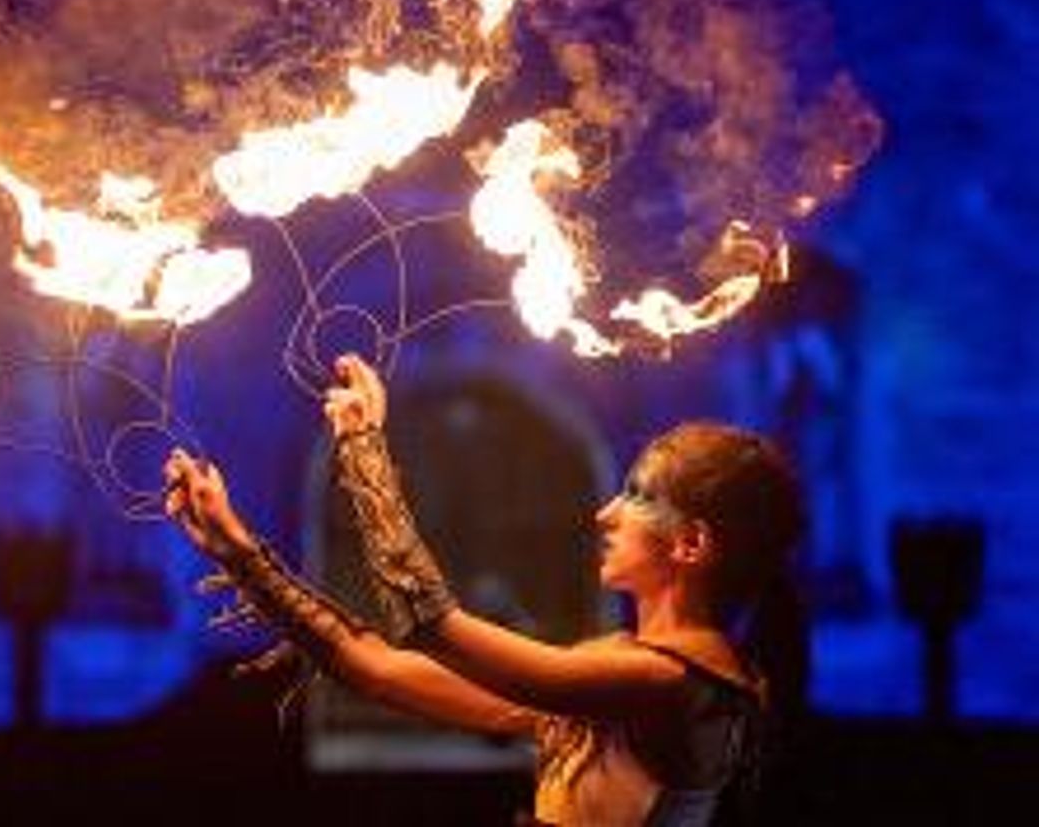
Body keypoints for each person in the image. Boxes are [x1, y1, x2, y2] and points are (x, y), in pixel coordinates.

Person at [164, 354, 806, 826]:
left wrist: (363, 447)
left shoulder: (668, 686)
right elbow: (379, 668)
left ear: (690, 545)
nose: (605, 513)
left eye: (638, 497)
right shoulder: (618, 677)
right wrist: (238, 551)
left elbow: (427, 623)